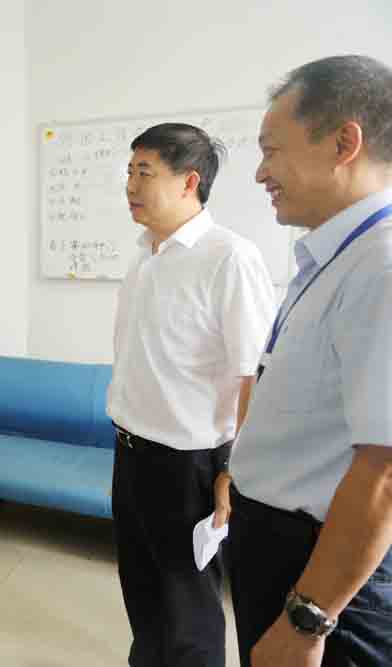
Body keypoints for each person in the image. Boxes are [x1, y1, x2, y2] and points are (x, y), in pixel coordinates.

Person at [226, 55, 392, 667]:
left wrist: (308, 620)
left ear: (345, 143)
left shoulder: (382, 268)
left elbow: (385, 470)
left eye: (272, 151)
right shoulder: (335, 256)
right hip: (279, 543)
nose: (260, 173)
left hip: (323, 566)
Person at [107, 124, 276, 666]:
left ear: (189, 181)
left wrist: (233, 471)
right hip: (130, 452)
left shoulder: (230, 257)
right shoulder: (145, 254)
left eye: (145, 173)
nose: (131, 185)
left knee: (189, 611)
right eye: (129, 172)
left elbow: (253, 375)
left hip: (190, 466)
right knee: (143, 596)